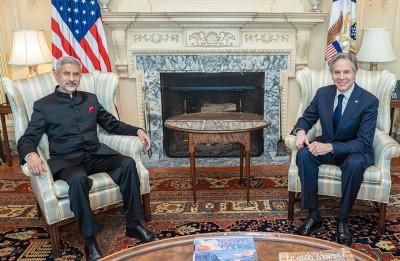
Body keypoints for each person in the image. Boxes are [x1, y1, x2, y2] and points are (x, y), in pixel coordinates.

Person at [17, 56, 160, 261]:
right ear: (56, 75)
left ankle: (134, 224)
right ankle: (90, 240)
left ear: (80, 76)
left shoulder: (90, 99)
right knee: (77, 179)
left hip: (96, 154)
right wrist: (31, 154)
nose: (72, 78)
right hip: (67, 161)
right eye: (67, 73)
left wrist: (138, 130)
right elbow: (27, 138)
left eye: (76, 74)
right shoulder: (43, 105)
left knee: (127, 164)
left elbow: (112, 124)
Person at [292, 52, 378, 247]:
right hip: (327, 146)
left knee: (355, 164)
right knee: (304, 154)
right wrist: (300, 131)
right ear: (331, 73)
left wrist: (329, 146)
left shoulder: (368, 101)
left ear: (355, 73)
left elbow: (364, 142)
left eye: (346, 72)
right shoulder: (323, 93)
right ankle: (314, 215)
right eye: (337, 72)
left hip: (354, 149)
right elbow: (307, 117)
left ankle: (343, 218)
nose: (341, 77)